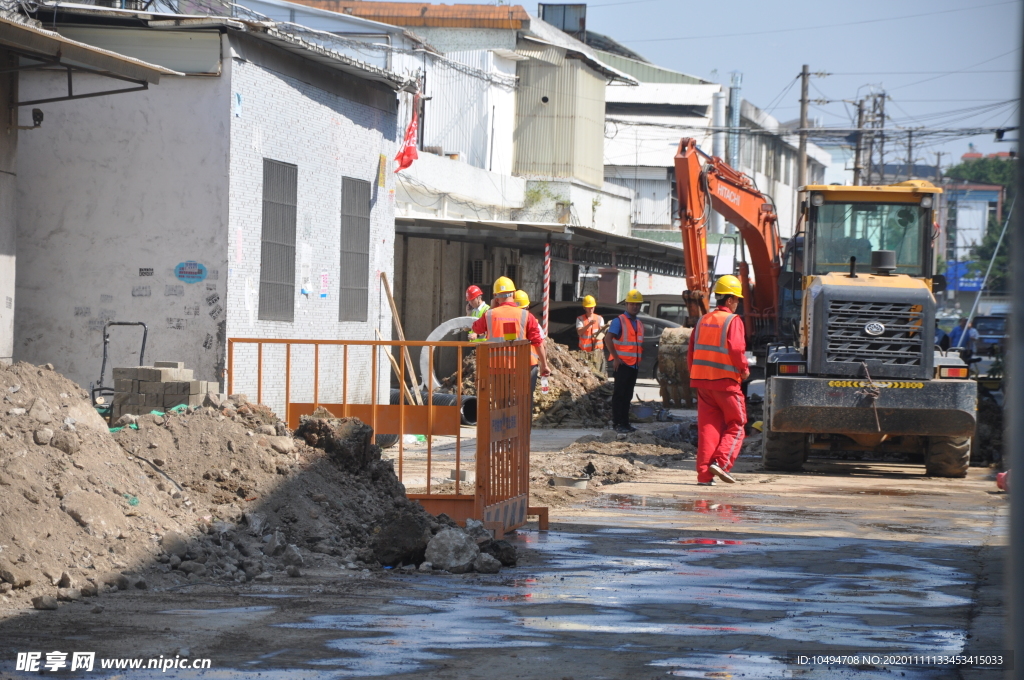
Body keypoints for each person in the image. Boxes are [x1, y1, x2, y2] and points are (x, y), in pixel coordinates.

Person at [687, 275, 750, 485]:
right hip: (726, 383)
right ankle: (721, 463)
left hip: (703, 384)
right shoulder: (733, 321)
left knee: (708, 429)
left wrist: (695, 375)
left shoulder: (703, 320)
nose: (738, 304)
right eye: (737, 300)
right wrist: (744, 370)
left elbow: (691, 351)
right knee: (738, 424)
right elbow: (737, 349)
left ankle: (704, 476)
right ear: (730, 300)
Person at [471, 277, 550, 398]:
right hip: (523, 367)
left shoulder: (490, 314)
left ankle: (503, 416)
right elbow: (538, 342)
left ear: (496, 297)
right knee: (524, 404)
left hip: (498, 367)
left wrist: (492, 309)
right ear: (513, 293)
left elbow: (476, 328)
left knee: (501, 404)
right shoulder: (526, 315)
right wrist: (544, 365)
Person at [605, 289, 645, 433]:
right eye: (632, 304)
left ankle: (625, 423)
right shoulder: (619, 321)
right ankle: (617, 424)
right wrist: (616, 358)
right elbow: (608, 339)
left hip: (633, 364)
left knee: (628, 395)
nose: (635, 307)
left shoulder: (639, 323)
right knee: (619, 394)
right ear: (627, 304)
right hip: (622, 364)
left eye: (637, 304)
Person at [576, 295, 606, 376]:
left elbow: (603, 332)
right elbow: (579, 332)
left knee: (598, 373)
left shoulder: (599, 318)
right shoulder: (580, 319)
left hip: (597, 351)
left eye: (592, 307)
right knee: (587, 374)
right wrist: (589, 324)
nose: (591, 309)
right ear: (584, 308)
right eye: (589, 307)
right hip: (585, 352)